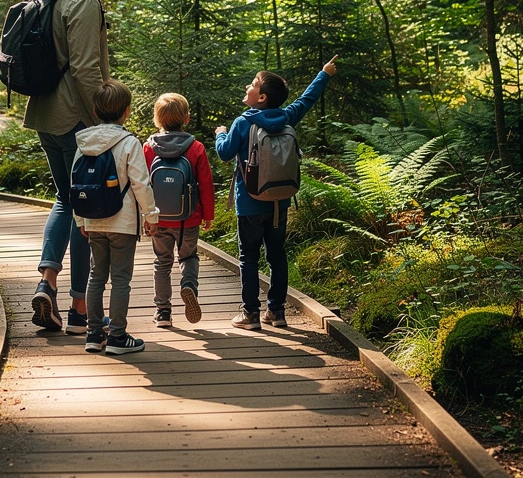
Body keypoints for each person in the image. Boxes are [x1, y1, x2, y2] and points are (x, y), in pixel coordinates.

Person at [25, 0, 117, 333]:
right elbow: (84, 69)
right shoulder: (82, 0)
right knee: (85, 208)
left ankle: (47, 283)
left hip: (45, 113)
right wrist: (104, 121)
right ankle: (80, 308)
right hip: (77, 121)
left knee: (65, 199)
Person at [215, 56, 338, 330]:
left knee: (248, 257)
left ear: (261, 98)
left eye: (253, 84)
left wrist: (220, 134)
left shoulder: (242, 122)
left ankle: (250, 315)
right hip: (279, 202)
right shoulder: (286, 116)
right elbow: (307, 99)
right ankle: (277, 312)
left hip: (249, 203)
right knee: (277, 255)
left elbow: (224, 153)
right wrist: (324, 74)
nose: (248, 85)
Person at [75, 79, 159, 355]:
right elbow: (140, 183)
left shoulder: (84, 142)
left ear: (96, 112)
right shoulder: (129, 142)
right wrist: (151, 216)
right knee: (121, 278)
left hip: (93, 220)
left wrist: (80, 221)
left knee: (96, 276)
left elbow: (75, 186)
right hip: (122, 222)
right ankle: (118, 337)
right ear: (126, 111)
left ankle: (94, 332)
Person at [143, 93, 215, 327]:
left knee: (162, 262)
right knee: (189, 256)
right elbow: (205, 184)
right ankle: (188, 286)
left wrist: (144, 216)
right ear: (186, 118)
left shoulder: (148, 148)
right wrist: (208, 215)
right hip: (189, 218)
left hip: (158, 217)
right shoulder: (195, 148)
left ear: (157, 119)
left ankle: (163, 312)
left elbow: (142, 184)